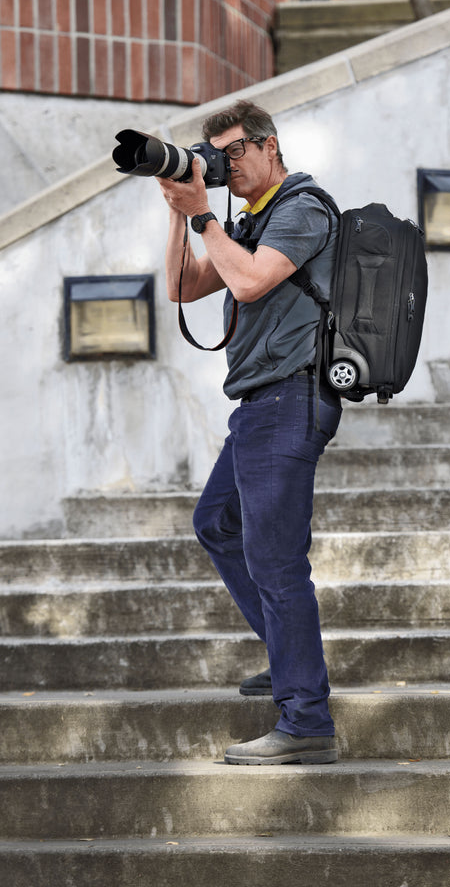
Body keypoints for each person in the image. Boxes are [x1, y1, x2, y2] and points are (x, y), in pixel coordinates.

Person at [157, 100, 341, 765]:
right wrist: (181, 213)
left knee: (275, 558)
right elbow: (182, 287)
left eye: (234, 152)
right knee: (217, 522)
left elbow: (253, 279)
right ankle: (287, 653)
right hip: (260, 403)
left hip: (291, 396)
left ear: (270, 146)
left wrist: (204, 214)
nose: (225, 166)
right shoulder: (249, 219)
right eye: (217, 156)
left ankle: (305, 720)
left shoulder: (302, 206)